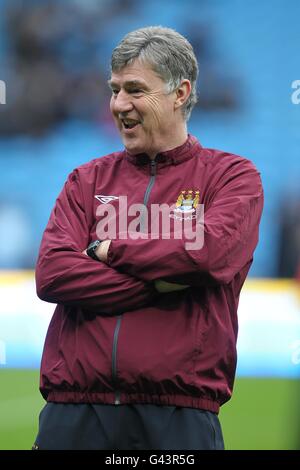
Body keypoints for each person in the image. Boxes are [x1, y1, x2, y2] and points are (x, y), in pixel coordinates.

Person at [33, 26, 263, 450]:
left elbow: (208, 254)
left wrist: (111, 249)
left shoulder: (232, 177)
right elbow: (52, 273)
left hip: (180, 415)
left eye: (135, 90)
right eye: (115, 89)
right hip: (74, 410)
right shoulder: (86, 180)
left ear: (180, 93)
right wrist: (157, 282)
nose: (119, 104)